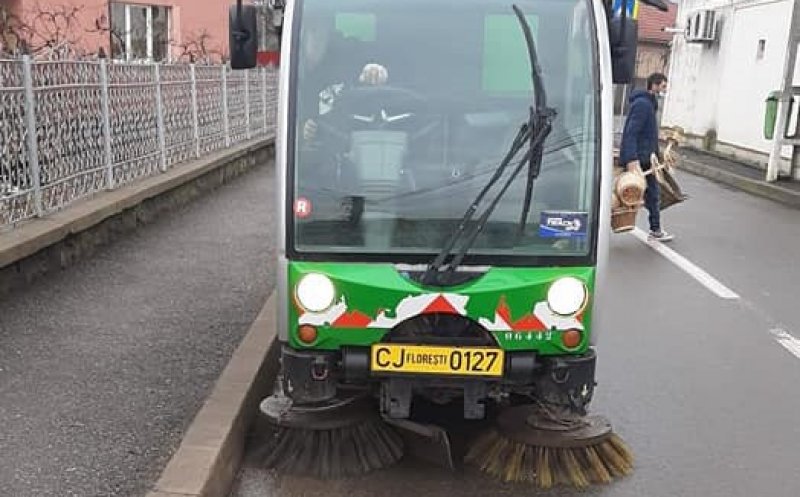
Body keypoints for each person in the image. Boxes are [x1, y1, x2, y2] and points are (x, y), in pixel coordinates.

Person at [299, 13, 388, 143]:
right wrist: (302, 130)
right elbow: (291, 122)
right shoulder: (290, 71)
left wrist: (375, 73)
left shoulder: (348, 61)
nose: (315, 41)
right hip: (316, 152)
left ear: (329, 35)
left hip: (360, 143)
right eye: (311, 31)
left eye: (320, 33)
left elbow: (371, 73)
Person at [619, 72, 673, 242]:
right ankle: (655, 229)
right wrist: (631, 159)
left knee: (650, 194)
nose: (664, 91)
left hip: (646, 157)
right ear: (654, 85)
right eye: (663, 86)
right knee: (637, 194)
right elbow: (631, 132)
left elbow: (646, 133)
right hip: (640, 158)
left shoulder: (648, 104)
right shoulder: (643, 104)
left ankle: (655, 228)